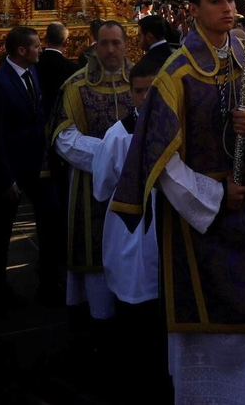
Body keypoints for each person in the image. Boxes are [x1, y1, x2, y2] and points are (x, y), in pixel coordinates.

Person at [110, 0, 245, 405]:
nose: (228, 9)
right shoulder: (175, 74)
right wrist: (215, 197)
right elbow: (161, 160)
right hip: (201, 223)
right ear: (194, 9)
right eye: (216, 0)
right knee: (207, 322)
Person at [90, 56, 168, 397]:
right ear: (130, 93)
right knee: (134, 306)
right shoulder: (118, 136)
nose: (145, 97)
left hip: (168, 229)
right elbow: (102, 186)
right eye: (139, 92)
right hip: (132, 229)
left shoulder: (176, 128)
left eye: (153, 90)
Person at [50, 18, 132, 330]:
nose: (111, 49)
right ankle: (98, 323)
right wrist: (114, 156)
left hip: (137, 184)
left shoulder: (142, 82)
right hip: (89, 187)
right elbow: (64, 137)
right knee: (95, 257)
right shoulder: (76, 86)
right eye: (104, 43)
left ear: (126, 45)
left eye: (116, 43)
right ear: (94, 46)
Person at [0, 25, 57, 306]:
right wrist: (4, 178)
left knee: (49, 219)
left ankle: (48, 281)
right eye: (37, 46)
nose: (41, 49)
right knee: (2, 230)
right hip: (12, 168)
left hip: (37, 165)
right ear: (21, 50)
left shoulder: (32, 73)